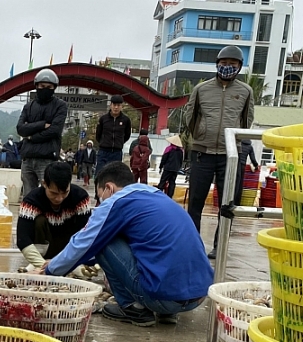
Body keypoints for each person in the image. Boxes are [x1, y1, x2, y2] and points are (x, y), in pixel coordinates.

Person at [44, 162, 212, 327]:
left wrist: (50, 270)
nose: (101, 201)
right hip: (198, 296)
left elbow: (83, 244)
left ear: (109, 188)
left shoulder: (116, 202)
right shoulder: (156, 195)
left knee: (103, 241)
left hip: (162, 299)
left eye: (100, 196)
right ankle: (167, 312)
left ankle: (132, 308)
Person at [184, 45, 254, 258]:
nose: (227, 68)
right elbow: (190, 115)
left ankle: (219, 245)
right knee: (195, 203)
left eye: (232, 65)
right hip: (202, 152)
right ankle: (194, 245)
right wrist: (199, 134)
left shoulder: (245, 92)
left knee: (227, 204)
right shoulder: (201, 89)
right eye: (224, 64)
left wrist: (235, 141)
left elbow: (246, 119)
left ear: (239, 67)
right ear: (217, 65)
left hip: (229, 155)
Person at [17, 161, 92, 269]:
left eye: (65, 193)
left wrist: (72, 263)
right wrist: (43, 266)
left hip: (70, 246)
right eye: (54, 193)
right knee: (39, 221)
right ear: (44, 184)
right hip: (45, 247)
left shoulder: (80, 198)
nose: (59, 198)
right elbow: (22, 239)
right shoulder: (31, 201)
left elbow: (86, 234)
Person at [17, 68, 68, 197]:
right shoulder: (28, 106)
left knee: (49, 193)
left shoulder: (60, 105)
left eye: (49, 87)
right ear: (36, 86)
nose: (45, 89)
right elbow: (20, 128)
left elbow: (54, 130)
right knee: (28, 195)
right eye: (42, 86)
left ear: (54, 88)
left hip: (47, 157)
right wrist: (41, 125)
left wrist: (31, 136)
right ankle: (28, 217)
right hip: (27, 157)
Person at [95, 95, 132, 177]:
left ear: (121, 106)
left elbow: (127, 135)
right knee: (100, 175)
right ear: (111, 105)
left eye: (118, 105)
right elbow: (98, 135)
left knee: (114, 177)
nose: (116, 107)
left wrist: (119, 143)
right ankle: (98, 190)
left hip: (116, 152)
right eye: (114, 105)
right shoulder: (103, 119)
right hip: (103, 152)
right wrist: (104, 142)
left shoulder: (126, 120)